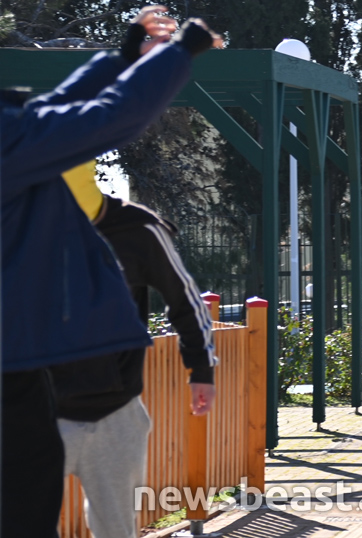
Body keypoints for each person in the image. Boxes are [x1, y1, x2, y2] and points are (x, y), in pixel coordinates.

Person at [0, 7, 222, 537]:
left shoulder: (14, 141)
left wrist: (121, 59)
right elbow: (113, 117)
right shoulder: (9, 146)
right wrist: (180, 51)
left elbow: (55, 110)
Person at [52, 161, 216, 538]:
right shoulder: (20, 224)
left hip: (116, 413)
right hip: (34, 412)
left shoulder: (137, 229)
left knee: (117, 531)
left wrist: (201, 370)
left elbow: (185, 301)